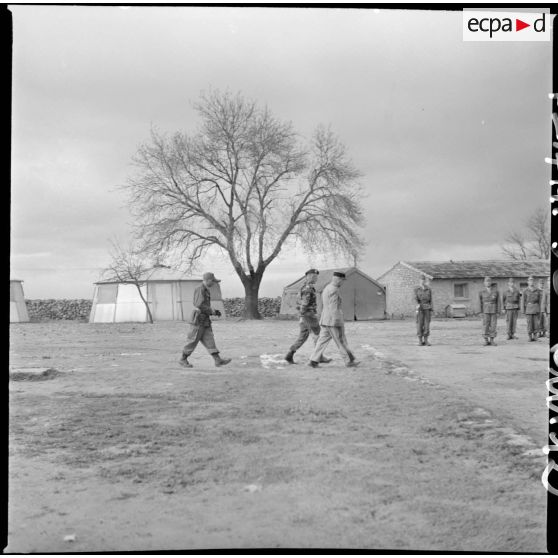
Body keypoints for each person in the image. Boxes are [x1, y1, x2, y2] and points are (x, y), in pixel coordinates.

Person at [179, 272, 231, 368]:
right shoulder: (200, 288)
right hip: (199, 320)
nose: (214, 283)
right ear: (208, 280)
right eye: (213, 281)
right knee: (193, 340)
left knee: (209, 339)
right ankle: (183, 359)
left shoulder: (205, 289)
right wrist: (212, 311)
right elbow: (199, 304)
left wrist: (213, 311)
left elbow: (204, 305)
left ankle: (217, 360)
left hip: (205, 320)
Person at [309, 271, 358, 368]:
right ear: (338, 279)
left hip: (325, 319)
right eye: (342, 280)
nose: (342, 282)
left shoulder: (327, 288)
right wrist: (337, 321)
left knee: (322, 341)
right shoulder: (334, 290)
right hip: (333, 320)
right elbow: (334, 307)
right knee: (341, 340)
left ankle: (313, 361)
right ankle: (349, 361)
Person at [284, 269, 331, 365]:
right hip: (309, 315)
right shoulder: (308, 289)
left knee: (303, 337)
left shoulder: (303, 287)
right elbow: (304, 304)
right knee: (320, 335)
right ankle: (318, 357)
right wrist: (304, 314)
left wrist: (301, 315)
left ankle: (289, 354)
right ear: (307, 277)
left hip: (305, 316)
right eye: (313, 276)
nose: (315, 278)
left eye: (316, 277)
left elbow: (298, 303)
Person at [479, 276, 500, 346]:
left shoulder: (496, 291)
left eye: (489, 281)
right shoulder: (481, 291)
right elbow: (479, 302)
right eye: (486, 281)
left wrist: (498, 311)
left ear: (491, 282)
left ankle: (492, 340)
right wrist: (480, 312)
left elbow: (498, 302)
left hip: (493, 310)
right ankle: (486, 340)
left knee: (493, 325)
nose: (488, 283)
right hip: (485, 310)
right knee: (485, 325)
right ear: (484, 283)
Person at [414, 275, 433, 346]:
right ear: (419, 280)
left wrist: (432, 308)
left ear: (425, 281)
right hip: (420, 308)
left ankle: (426, 340)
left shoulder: (428, 289)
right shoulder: (416, 289)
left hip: (427, 308)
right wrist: (417, 305)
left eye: (424, 280)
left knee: (427, 324)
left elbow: (431, 299)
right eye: (421, 280)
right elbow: (414, 298)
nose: (423, 281)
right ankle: (420, 340)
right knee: (419, 324)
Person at [522, 276, 542, 342]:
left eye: (532, 281)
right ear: (528, 282)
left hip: (536, 308)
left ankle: (535, 336)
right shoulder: (525, 291)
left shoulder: (537, 290)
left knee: (536, 323)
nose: (531, 282)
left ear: (534, 282)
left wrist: (540, 309)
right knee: (529, 323)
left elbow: (540, 301)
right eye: (530, 281)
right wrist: (523, 310)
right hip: (529, 308)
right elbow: (523, 301)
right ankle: (530, 337)